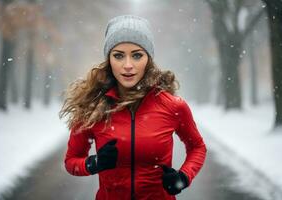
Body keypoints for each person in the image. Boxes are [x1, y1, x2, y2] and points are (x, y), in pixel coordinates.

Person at [59, 15, 207, 200]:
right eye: (118, 55)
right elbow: (71, 162)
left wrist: (183, 177)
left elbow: (197, 147)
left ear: (148, 59)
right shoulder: (93, 107)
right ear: (109, 60)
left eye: (137, 55)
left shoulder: (172, 106)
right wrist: (93, 163)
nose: (128, 65)